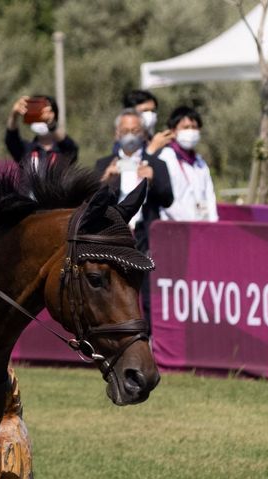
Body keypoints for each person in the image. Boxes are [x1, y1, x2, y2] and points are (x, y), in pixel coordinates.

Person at [94, 109, 174, 319]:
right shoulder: (103, 164)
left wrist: (153, 180)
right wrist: (105, 181)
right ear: (117, 134)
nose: (130, 135)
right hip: (113, 236)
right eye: (126, 130)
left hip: (144, 236)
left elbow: (168, 198)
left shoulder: (157, 163)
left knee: (146, 290)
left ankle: (148, 336)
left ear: (144, 133)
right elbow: (90, 203)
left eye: (135, 130)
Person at [157, 106, 218, 222]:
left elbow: (209, 194)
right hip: (173, 226)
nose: (191, 131)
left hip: (201, 226)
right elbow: (166, 199)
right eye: (185, 127)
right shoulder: (165, 158)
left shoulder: (200, 162)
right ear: (173, 131)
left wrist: (213, 223)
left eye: (194, 127)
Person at [4, 93, 77, 173]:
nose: (42, 116)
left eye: (46, 111)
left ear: (55, 116)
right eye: (38, 112)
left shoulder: (64, 150)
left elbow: (70, 146)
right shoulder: (26, 150)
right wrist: (14, 115)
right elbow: (11, 139)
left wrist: (51, 125)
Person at [123, 88, 174, 157]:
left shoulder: (152, 139)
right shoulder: (124, 141)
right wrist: (152, 149)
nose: (150, 115)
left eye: (153, 111)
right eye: (145, 110)